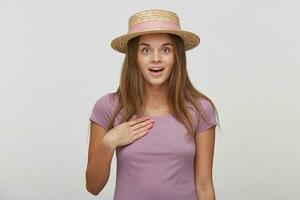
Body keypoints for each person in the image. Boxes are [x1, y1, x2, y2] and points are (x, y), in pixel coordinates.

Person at [85, 9, 220, 200]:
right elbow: (93, 187)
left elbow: (205, 187)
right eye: (146, 50)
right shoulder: (108, 107)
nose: (156, 58)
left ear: (176, 56)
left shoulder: (200, 109)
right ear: (134, 57)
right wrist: (109, 143)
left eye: (165, 49)